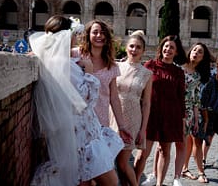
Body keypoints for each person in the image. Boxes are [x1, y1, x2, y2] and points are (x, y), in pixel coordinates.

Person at [29, 15, 124, 186]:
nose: (75, 38)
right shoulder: (67, 64)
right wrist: (89, 72)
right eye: (73, 34)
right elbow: (86, 100)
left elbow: (113, 97)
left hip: (83, 131)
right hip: (82, 135)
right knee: (108, 181)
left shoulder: (62, 61)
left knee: (86, 181)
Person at [134, 35, 187, 186]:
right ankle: (134, 182)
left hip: (171, 116)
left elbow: (181, 97)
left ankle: (159, 184)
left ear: (176, 52)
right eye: (166, 46)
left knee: (165, 151)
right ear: (161, 47)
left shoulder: (178, 72)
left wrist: (182, 120)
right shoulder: (150, 65)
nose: (168, 49)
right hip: (150, 115)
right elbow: (139, 88)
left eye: (172, 47)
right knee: (142, 153)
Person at [109, 30, 153, 186]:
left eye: (138, 47)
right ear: (126, 48)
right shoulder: (115, 66)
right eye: (132, 46)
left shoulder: (147, 74)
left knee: (122, 162)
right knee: (107, 160)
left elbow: (146, 103)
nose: (134, 50)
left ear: (143, 51)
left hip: (133, 118)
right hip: (112, 115)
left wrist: (142, 130)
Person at [80, 19, 132, 143]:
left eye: (102, 32)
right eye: (95, 32)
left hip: (100, 119)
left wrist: (121, 126)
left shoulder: (111, 65)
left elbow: (114, 97)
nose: (99, 35)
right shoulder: (77, 56)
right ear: (88, 35)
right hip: (78, 117)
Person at [180, 42, 211, 183]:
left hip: (191, 113)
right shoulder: (178, 68)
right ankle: (181, 170)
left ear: (202, 58)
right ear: (190, 51)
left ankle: (198, 171)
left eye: (200, 52)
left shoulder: (198, 75)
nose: (196, 53)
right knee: (173, 144)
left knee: (195, 143)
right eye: (195, 50)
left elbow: (196, 97)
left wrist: (197, 118)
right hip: (176, 110)